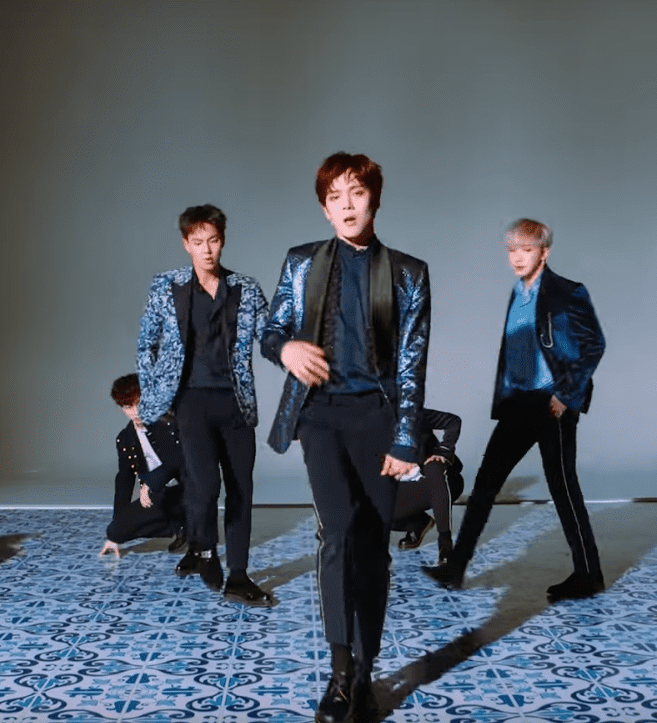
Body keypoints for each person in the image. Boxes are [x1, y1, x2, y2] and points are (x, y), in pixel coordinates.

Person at [263, 151, 430, 723]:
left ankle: (365, 672)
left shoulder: (408, 272)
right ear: (325, 209)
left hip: (378, 421)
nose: (347, 205)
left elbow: (412, 364)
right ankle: (339, 675)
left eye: (356, 193)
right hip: (321, 418)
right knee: (336, 536)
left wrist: (405, 441)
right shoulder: (301, 262)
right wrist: (285, 348)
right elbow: (271, 330)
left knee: (372, 546)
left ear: (374, 199)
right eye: (335, 197)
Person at [424, 219, 607, 602]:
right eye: (512, 250)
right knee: (485, 485)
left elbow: (594, 344)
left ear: (544, 252)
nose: (517, 257)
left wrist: (566, 394)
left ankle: (589, 575)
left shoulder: (567, 292)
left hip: (553, 404)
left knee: (562, 487)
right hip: (518, 404)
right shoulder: (517, 293)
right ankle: (456, 568)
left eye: (526, 249)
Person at [137, 204, 274, 606]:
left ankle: (239, 576)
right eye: (198, 242)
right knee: (205, 485)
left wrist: (296, 349)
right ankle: (205, 551)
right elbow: (146, 344)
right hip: (190, 401)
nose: (207, 249)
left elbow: (269, 336)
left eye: (213, 240)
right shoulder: (167, 287)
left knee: (241, 489)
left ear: (222, 241)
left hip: (236, 403)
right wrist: (156, 394)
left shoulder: (245, 288)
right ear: (186, 244)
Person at [99, 374, 188, 559]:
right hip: (158, 496)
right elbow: (124, 480)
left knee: (192, 498)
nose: (136, 411)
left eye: (139, 403)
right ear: (121, 408)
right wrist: (116, 531)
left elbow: (178, 459)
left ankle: (192, 525)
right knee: (115, 529)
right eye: (128, 407)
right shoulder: (126, 438)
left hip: (188, 489)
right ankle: (181, 525)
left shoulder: (169, 422)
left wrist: (150, 483)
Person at [392, 408, 465, 566]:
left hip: (443, 481)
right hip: (408, 487)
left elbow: (453, 421)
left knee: (434, 468)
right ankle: (418, 523)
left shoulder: (409, 413)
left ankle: (445, 545)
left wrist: (444, 451)